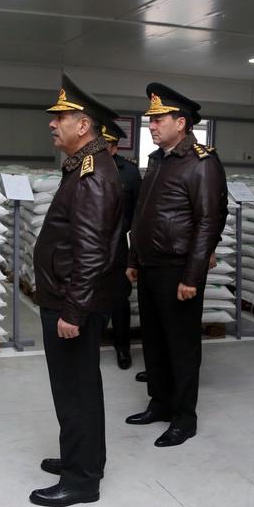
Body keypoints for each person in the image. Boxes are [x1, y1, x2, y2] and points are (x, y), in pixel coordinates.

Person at [31, 74, 123, 507]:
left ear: (83, 126)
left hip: (72, 303)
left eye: (61, 117)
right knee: (75, 388)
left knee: (76, 392)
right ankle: (80, 458)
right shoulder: (85, 167)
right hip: (70, 297)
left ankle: (82, 480)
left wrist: (72, 311)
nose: (53, 123)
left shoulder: (92, 174)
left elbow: (91, 252)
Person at [125, 83, 227, 447]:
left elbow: (208, 222)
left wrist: (192, 276)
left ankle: (184, 417)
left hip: (178, 269)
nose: (151, 126)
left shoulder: (201, 162)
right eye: (150, 120)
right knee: (153, 341)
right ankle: (160, 403)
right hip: (150, 265)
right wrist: (134, 257)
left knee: (181, 346)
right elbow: (142, 213)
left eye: (158, 119)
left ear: (181, 122)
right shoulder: (158, 159)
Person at [100, 119, 142, 370]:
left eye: (106, 146)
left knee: (119, 300)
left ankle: (123, 347)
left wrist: (134, 252)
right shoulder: (86, 167)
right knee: (90, 296)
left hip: (119, 247)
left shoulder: (129, 172)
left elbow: (139, 213)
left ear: (115, 148)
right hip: (92, 246)